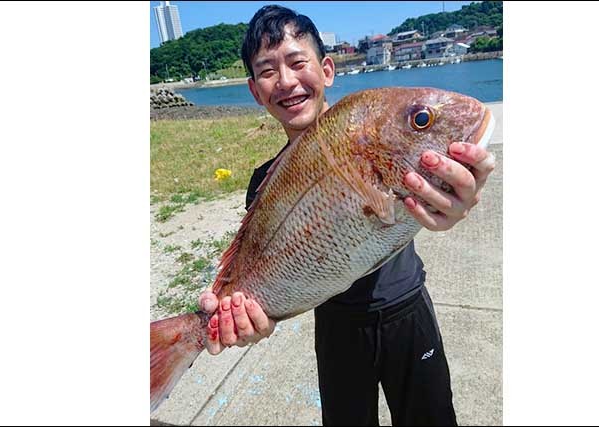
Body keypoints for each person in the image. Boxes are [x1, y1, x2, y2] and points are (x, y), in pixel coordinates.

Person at [198, 5, 496, 426]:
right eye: (267, 71)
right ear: (254, 90)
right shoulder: (264, 182)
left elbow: (408, 208)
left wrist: (457, 197)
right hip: (336, 328)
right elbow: (267, 286)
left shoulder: (365, 133)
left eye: (297, 63)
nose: (285, 81)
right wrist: (252, 319)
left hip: (408, 312)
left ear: (327, 70)